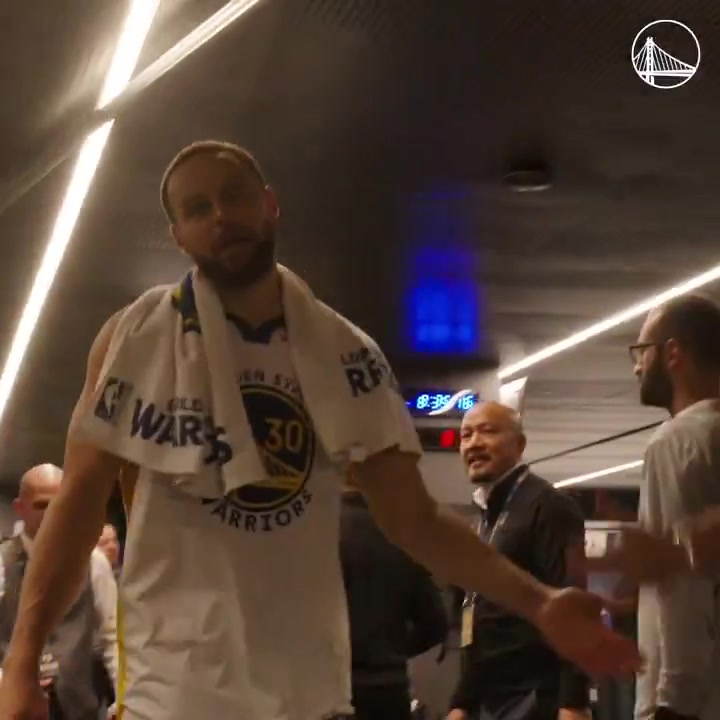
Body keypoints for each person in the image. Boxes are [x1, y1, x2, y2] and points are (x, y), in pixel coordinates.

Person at [0, 141, 639, 720]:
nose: (220, 216)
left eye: (234, 196)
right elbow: (79, 506)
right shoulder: (133, 340)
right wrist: (22, 660)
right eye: (198, 209)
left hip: (307, 695)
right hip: (170, 691)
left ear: (269, 204)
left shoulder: (346, 355)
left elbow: (416, 520)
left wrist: (540, 601)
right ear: (179, 236)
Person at [447, 402, 591, 720]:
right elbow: (479, 616)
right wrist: (462, 701)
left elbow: (575, 605)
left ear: (519, 445)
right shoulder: (483, 519)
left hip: (536, 696)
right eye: (466, 435)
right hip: (490, 698)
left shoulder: (549, 506)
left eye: (488, 431)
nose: (474, 443)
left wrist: (573, 701)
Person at [621, 296, 720, 720]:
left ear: (673, 352)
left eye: (641, 352)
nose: (636, 368)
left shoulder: (677, 441)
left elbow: (684, 582)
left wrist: (673, 703)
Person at [0, 465, 118, 720]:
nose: (51, 513)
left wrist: (123, 698)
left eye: (59, 504)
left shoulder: (94, 561)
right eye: (42, 505)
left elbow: (112, 634)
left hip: (83, 706)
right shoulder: (1, 563)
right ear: (20, 508)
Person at [340, 482, 449, 720]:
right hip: (388, 691)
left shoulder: (316, 535)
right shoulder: (401, 537)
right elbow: (436, 625)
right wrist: (392, 650)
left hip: (332, 691)